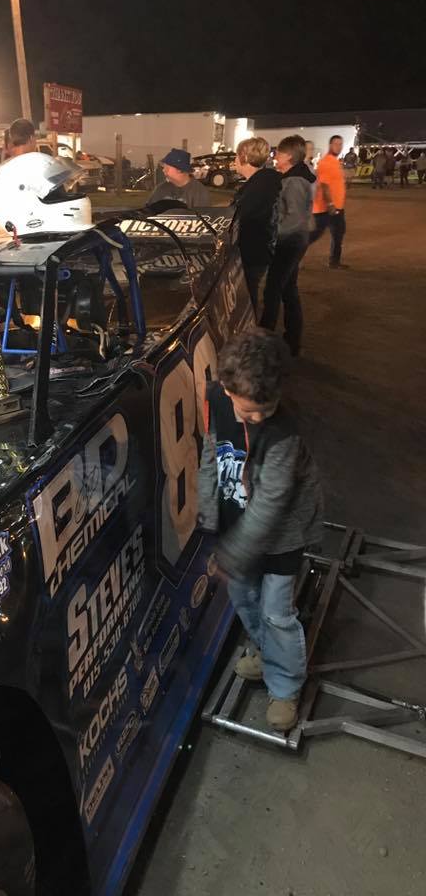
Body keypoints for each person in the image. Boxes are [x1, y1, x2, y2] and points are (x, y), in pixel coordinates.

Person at [198, 328, 323, 732]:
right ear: (226, 388)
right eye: (249, 411)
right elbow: (211, 453)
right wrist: (208, 517)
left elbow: (272, 499)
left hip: (283, 536)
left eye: (266, 410)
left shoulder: (285, 429)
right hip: (238, 525)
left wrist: (232, 555)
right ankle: (268, 654)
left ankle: (285, 685)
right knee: (244, 599)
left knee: (276, 612)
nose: (258, 419)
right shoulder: (216, 400)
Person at [260, 135, 315, 357]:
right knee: (288, 290)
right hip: (294, 240)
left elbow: (294, 219)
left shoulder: (294, 182)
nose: (276, 156)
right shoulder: (296, 178)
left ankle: (264, 342)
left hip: (289, 241)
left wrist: (272, 236)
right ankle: (292, 340)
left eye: (279, 153)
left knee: (273, 290)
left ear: (289, 156)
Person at [232, 136, 282, 311]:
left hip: (253, 251)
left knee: (247, 293)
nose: (234, 160)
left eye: (237, 155)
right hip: (261, 249)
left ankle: (250, 325)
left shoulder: (257, 188)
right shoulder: (265, 182)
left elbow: (244, 219)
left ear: (244, 157)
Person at [308, 134, 347, 269]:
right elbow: (324, 185)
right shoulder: (326, 162)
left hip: (336, 206)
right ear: (330, 145)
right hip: (326, 207)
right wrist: (330, 203)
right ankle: (292, 254)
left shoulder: (335, 162)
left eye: (340, 144)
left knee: (338, 233)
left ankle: (334, 261)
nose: (339, 147)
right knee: (314, 234)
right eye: (336, 144)